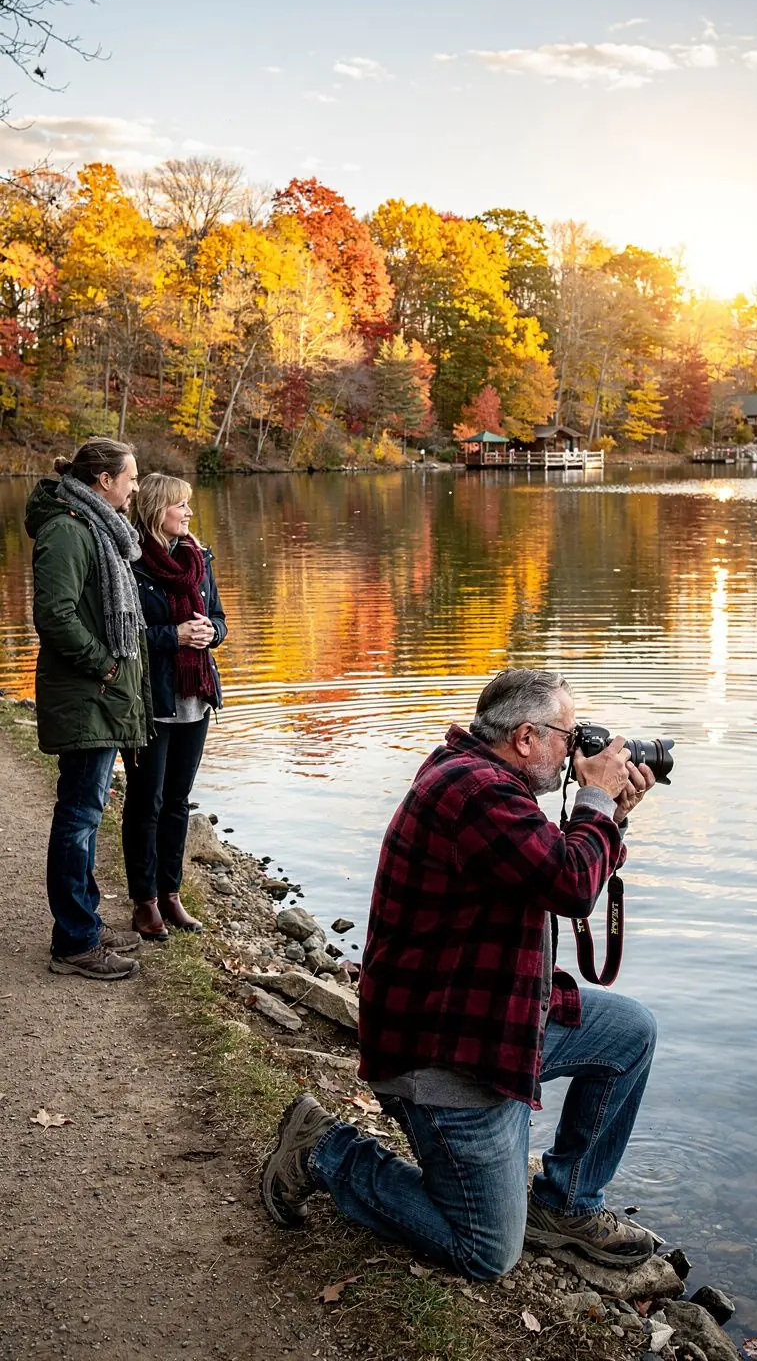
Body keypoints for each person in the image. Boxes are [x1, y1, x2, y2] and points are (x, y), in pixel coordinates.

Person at [260, 668, 659, 1278]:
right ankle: (326, 1150)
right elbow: (570, 883)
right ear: (526, 737)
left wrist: (612, 816)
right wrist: (595, 801)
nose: (577, 751)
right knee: (487, 1252)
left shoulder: (484, 779)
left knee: (630, 1031)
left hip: (498, 1018)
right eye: (568, 734)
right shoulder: (476, 793)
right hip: (446, 1052)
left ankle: (567, 1203)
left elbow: (549, 869)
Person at [26, 438, 151, 981]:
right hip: (87, 694)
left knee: (88, 812)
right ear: (104, 480)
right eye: (131, 477)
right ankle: (75, 941)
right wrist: (104, 664)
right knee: (79, 817)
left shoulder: (95, 527)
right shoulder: (69, 530)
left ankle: (86, 922)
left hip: (99, 696)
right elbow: (54, 614)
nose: (136, 487)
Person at [121, 473, 227, 941]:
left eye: (188, 505)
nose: (187, 513)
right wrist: (174, 635)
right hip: (151, 700)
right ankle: (144, 903)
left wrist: (210, 633)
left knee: (178, 801)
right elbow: (121, 634)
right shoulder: (130, 564)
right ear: (155, 510)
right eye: (179, 506)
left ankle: (171, 895)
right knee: (147, 802)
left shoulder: (198, 558)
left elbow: (220, 619)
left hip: (194, 698)